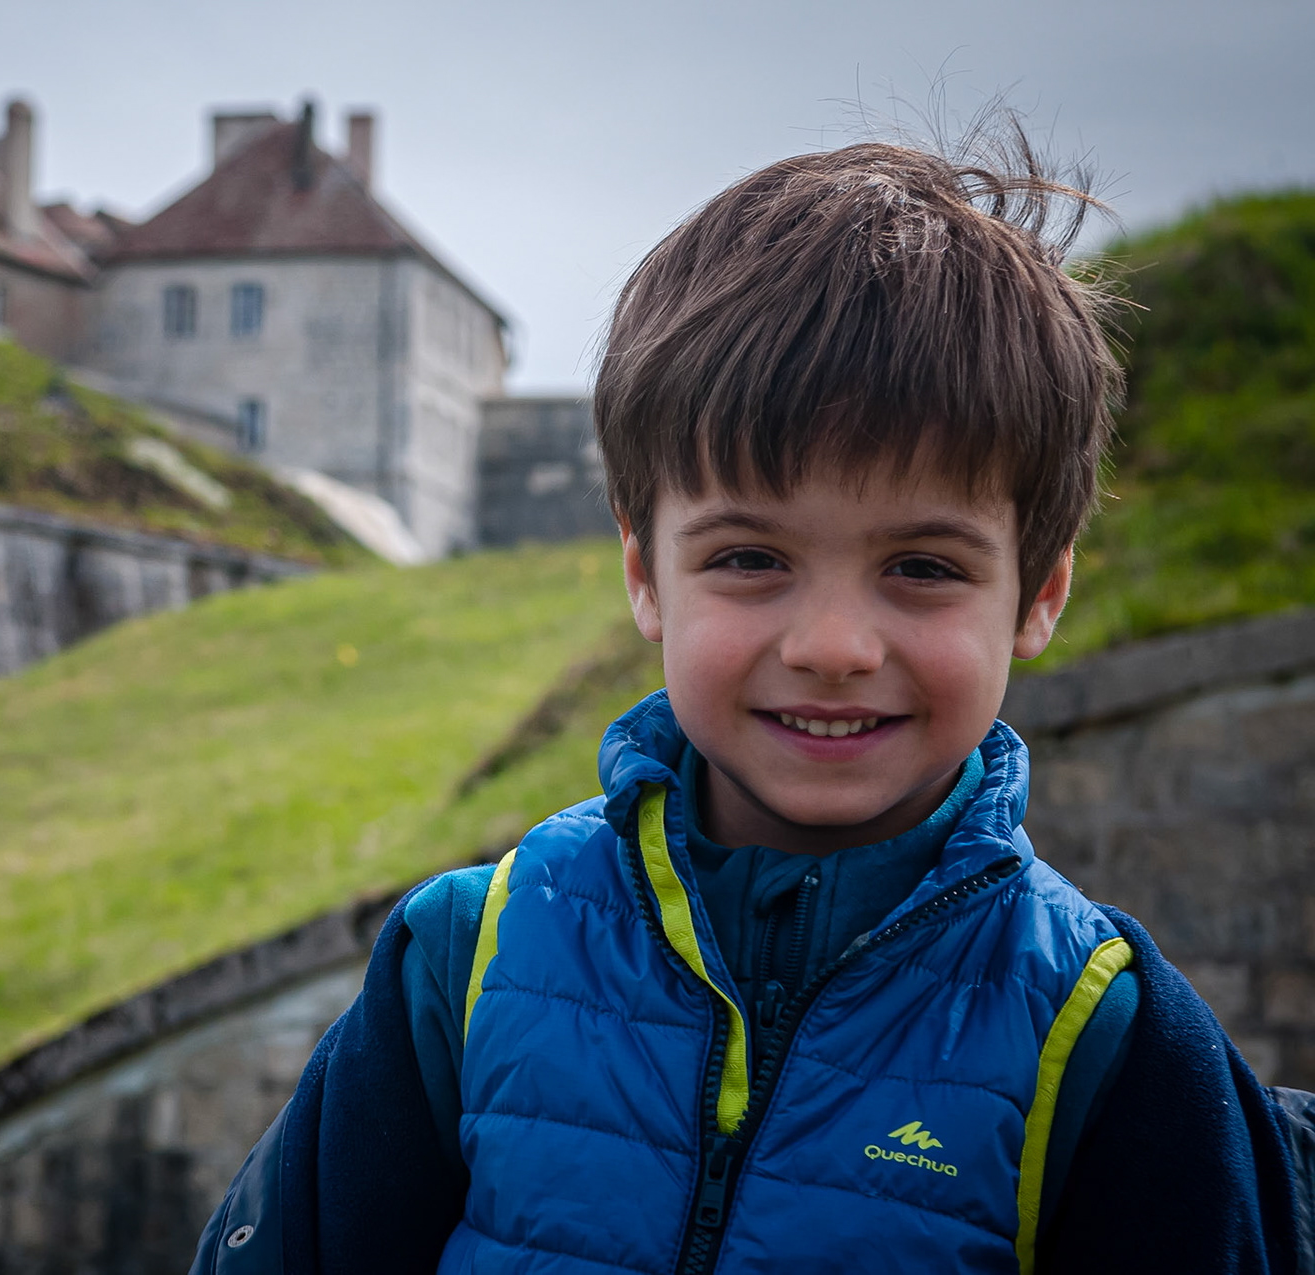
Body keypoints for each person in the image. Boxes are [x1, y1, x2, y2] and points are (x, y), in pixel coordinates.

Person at [191, 130, 1306, 1274]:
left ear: (1039, 595)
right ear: (644, 573)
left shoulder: (1105, 1036)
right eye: (750, 558)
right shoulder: (464, 962)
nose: (832, 647)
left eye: (922, 566)